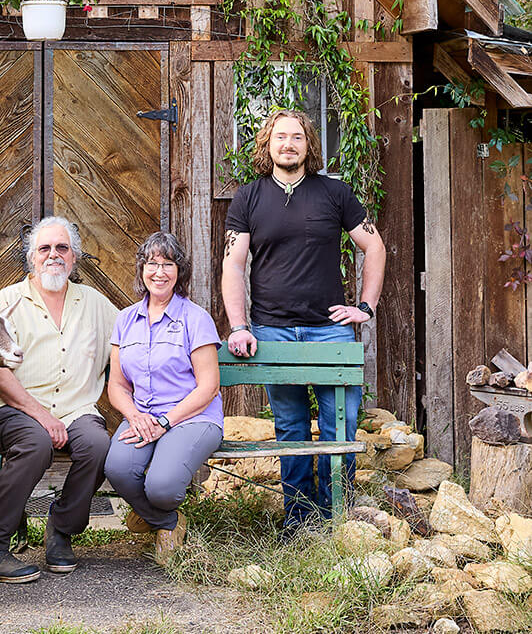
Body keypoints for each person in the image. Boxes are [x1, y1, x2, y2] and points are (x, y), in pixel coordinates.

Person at [221, 109, 386, 534]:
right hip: (272, 330)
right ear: (268, 144)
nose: (288, 144)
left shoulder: (335, 193)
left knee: (339, 425)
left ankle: (337, 520)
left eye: (297, 137)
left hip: (330, 331)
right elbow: (233, 265)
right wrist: (239, 325)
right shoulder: (249, 198)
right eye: (280, 137)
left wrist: (365, 308)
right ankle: (299, 521)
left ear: (309, 144)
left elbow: (375, 247)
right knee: (291, 427)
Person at [0, 216, 117, 582]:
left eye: (62, 248)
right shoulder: (8, 301)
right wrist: (41, 415)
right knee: (36, 444)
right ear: (31, 257)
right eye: (44, 248)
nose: (53, 255)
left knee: (98, 445)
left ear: (74, 257)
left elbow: (130, 344)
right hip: (17, 409)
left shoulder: (96, 304)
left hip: (77, 409)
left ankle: (62, 528)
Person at [104, 232, 223, 560]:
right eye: (152, 264)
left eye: (168, 264)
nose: (159, 272)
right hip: (144, 415)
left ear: (179, 271)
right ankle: (167, 522)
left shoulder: (195, 318)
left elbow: (208, 386)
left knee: (162, 486)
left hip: (193, 417)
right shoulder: (126, 320)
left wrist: (165, 422)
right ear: (141, 269)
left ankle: (152, 509)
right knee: (117, 468)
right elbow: (117, 385)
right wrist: (134, 416)